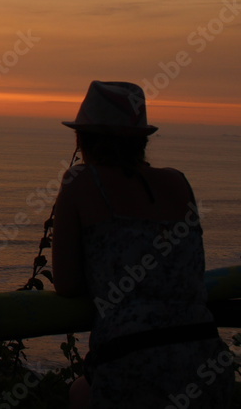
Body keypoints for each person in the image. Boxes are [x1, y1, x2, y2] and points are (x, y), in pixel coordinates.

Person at [51, 81, 233, 408]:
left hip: (131, 364)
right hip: (207, 360)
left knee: (79, 393)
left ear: (84, 138)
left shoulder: (81, 182)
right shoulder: (179, 182)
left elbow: (67, 283)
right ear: (142, 140)